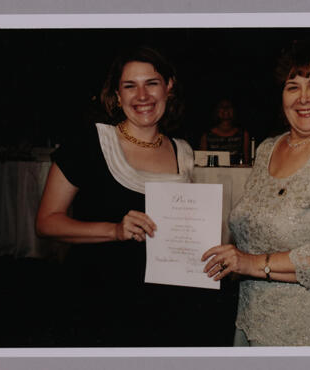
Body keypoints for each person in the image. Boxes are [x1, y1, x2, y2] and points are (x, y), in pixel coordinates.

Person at [36, 46, 234, 346]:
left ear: (169, 87)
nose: (142, 96)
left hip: (169, 305)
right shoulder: (89, 143)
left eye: (151, 83)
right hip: (100, 300)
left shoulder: (183, 151)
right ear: (117, 95)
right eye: (130, 86)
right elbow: (47, 223)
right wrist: (114, 230)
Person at [202, 41, 310, 346]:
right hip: (253, 318)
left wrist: (250, 263)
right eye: (292, 87)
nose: (304, 97)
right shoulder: (269, 148)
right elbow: (252, 223)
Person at [200, 98, 250, 165]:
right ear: (216, 111)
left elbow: (246, 161)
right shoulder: (207, 135)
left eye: (229, 106)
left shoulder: (243, 134)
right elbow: (202, 162)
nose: (225, 109)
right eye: (222, 106)